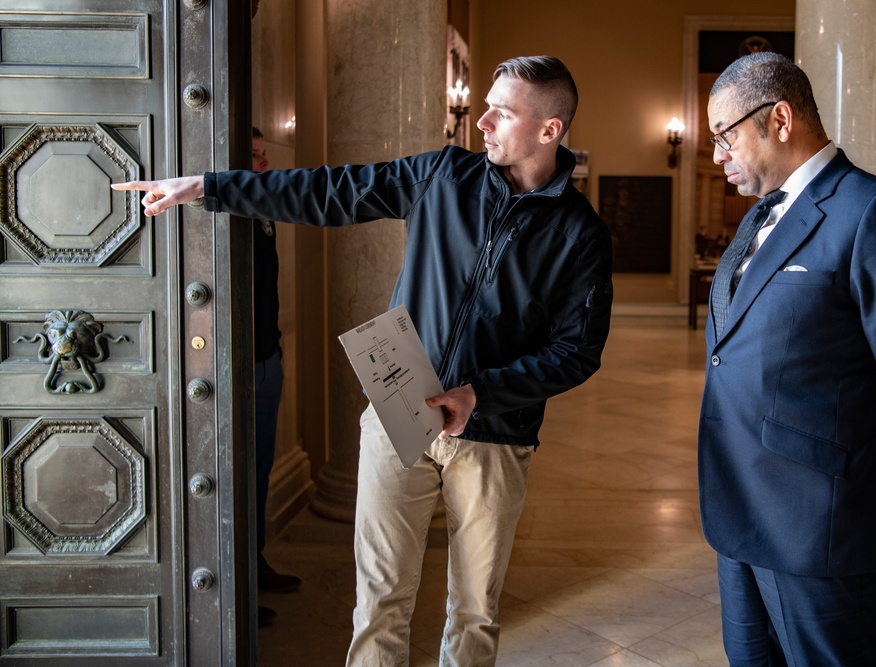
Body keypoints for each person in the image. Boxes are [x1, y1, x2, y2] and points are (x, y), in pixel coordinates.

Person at [113, 55, 613, 665]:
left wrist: (477, 393)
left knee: (475, 612)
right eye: (484, 104)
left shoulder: (581, 233)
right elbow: (329, 191)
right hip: (397, 416)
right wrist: (209, 188)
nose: (480, 121)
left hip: (496, 436)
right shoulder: (441, 176)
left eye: (501, 112)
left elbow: (575, 353)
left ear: (549, 130)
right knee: (378, 603)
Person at [700, 51, 876, 666]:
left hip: (818, 522)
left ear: (780, 118)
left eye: (724, 135)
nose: (716, 155)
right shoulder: (756, 219)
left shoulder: (874, 213)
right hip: (737, 507)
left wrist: (864, 478)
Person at [249, 127, 302, 629]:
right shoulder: (223, 213)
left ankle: (255, 563)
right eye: (253, 155)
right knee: (238, 473)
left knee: (261, 468)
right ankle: (236, 583)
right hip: (235, 368)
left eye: (265, 155)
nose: (263, 162)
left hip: (268, 359)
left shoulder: (265, 212)